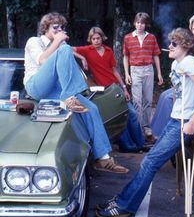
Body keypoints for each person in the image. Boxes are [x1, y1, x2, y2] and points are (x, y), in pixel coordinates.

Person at [95, 27, 194, 217]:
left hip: (184, 123)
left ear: (186, 45)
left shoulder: (190, 62)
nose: (169, 46)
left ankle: (125, 206)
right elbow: (181, 93)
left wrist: (193, 121)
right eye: (170, 43)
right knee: (150, 160)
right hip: (176, 120)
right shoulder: (178, 64)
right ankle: (123, 199)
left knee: (150, 162)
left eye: (174, 43)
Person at [23, 12, 128, 174]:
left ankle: (103, 158)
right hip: (36, 86)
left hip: (55, 90)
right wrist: (58, 41)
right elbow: (42, 60)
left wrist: (80, 56)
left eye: (61, 27)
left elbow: (69, 55)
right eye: (55, 27)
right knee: (64, 48)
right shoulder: (34, 41)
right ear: (45, 28)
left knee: (91, 108)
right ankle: (69, 96)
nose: (59, 30)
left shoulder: (60, 48)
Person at [73, 26, 147, 153]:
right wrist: (82, 58)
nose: (96, 41)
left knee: (132, 114)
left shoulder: (108, 51)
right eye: (94, 38)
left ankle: (140, 143)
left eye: (98, 38)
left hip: (115, 87)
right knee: (119, 115)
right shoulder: (87, 50)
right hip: (105, 91)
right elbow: (66, 49)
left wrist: (124, 87)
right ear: (90, 40)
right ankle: (127, 146)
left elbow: (114, 70)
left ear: (102, 38)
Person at [123, 12, 163, 139]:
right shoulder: (128, 38)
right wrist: (126, 73)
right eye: (138, 22)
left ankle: (146, 126)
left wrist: (159, 73)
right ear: (135, 23)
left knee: (147, 100)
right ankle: (138, 127)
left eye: (143, 23)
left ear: (146, 24)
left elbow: (156, 55)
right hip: (135, 70)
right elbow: (125, 56)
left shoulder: (151, 38)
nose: (140, 25)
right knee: (137, 101)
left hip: (148, 70)